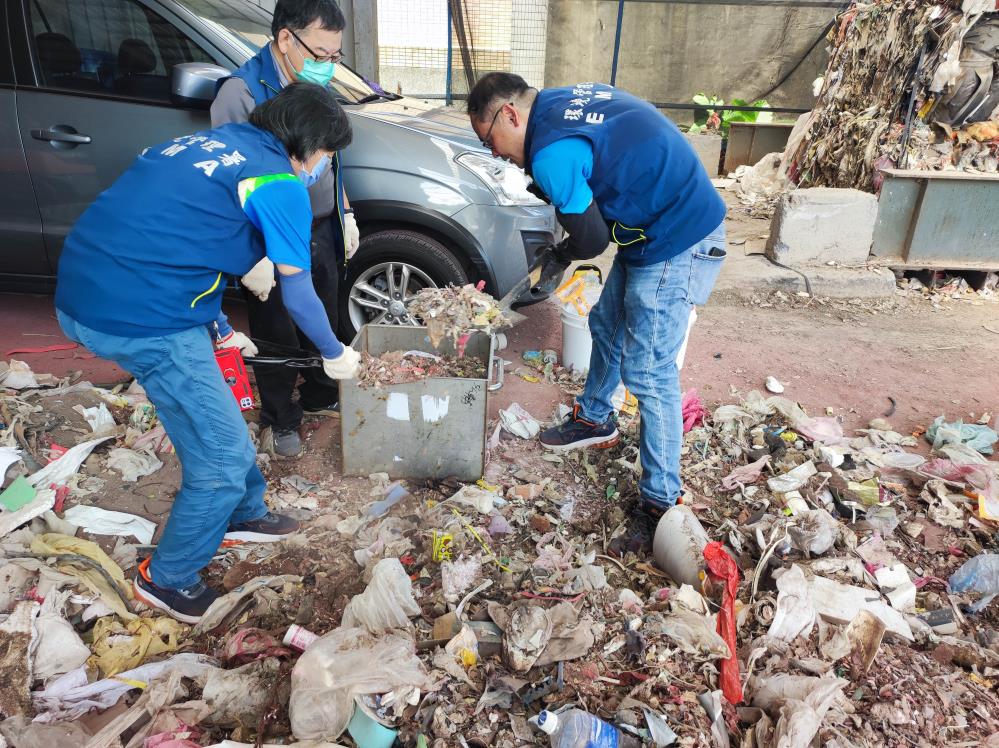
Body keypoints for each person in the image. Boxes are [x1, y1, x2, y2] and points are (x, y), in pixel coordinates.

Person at [55, 83, 361, 623]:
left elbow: (178, 244)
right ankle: (167, 577)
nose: (325, 165)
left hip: (94, 289)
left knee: (217, 418)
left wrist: (217, 326)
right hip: (140, 317)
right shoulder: (278, 181)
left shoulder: (210, 144)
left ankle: (245, 514)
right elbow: (300, 288)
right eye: (328, 154)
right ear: (309, 143)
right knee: (218, 458)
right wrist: (335, 350)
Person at [467, 73, 727, 538]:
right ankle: (594, 418)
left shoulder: (550, 153)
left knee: (650, 371)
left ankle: (660, 505)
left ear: (510, 114)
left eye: (490, 140)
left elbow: (590, 238)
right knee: (606, 322)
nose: (495, 153)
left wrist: (562, 254)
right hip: (654, 221)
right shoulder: (559, 102)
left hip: (679, 234)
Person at [212, 0, 359, 458]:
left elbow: (330, 157)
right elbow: (229, 177)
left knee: (326, 311)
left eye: (335, 57)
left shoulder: (312, 81)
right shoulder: (242, 92)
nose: (328, 68)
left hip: (318, 222)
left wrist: (345, 211)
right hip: (266, 235)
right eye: (320, 54)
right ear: (284, 39)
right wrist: (254, 255)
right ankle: (280, 417)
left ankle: (320, 394)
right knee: (276, 323)